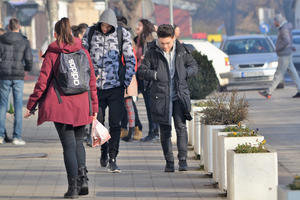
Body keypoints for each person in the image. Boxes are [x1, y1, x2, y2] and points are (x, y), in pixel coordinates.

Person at [25, 18, 98, 198]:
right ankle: (84, 181)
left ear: (56, 34)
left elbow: (42, 82)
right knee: (79, 142)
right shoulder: (83, 50)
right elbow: (91, 81)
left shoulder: (53, 53)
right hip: (82, 104)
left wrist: (31, 105)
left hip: (62, 106)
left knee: (68, 146)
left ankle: (73, 188)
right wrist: (94, 107)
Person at [137, 24, 198, 172]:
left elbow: (194, 67)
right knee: (165, 130)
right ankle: (169, 162)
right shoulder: (152, 51)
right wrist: (156, 75)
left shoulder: (183, 50)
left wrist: (184, 73)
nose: (165, 46)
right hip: (161, 97)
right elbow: (142, 70)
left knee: (181, 127)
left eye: (168, 43)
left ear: (174, 38)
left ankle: (183, 161)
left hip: (179, 95)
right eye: (162, 43)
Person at [82, 9, 136, 172]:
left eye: (108, 27)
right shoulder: (90, 33)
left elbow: (130, 59)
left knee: (115, 123)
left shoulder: (122, 34)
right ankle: (103, 151)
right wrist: (88, 79)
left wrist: (125, 81)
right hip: (95, 88)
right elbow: (82, 57)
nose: (105, 29)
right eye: (103, 26)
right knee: (98, 123)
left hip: (115, 87)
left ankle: (113, 157)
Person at [0, 18, 33, 145]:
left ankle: (0, 135)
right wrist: (26, 69)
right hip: (18, 74)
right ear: (18, 27)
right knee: (18, 105)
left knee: (2, 105)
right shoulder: (24, 41)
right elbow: (29, 59)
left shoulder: (1, 39)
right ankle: (17, 136)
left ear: (8, 27)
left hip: (3, 74)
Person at [259, 13, 300, 99]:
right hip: (287, 53)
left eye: (275, 21)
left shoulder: (283, 29)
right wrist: (291, 47)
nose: (274, 23)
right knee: (293, 73)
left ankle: (268, 92)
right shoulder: (285, 27)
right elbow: (289, 40)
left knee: (279, 74)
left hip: (284, 54)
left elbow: (287, 40)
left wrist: (278, 49)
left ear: (279, 21)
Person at [134, 18, 159, 142]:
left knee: (151, 106)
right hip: (141, 77)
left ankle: (154, 132)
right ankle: (152, 131)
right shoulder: (139, 40)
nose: (137, 27)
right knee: (148, 106)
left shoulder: (150, 39)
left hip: (149, 78)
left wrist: (146, 58)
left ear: (145, 27)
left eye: (139, 25)